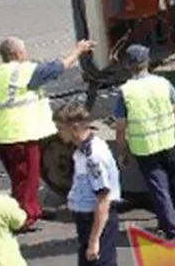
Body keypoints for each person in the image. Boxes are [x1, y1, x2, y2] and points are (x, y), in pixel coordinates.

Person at [0, 36, 95, 233]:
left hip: (3, 134)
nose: (27, 55)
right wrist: (78, 51)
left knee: (20, 178)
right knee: (28, 179)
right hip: (20, 135)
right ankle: (24, 218)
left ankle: (31, 208)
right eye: (25, 51)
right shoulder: (23, 71)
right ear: (17, 54)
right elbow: (57, 68)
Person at [112, 45, 175, 240]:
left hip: (145, 150)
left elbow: (120, 128)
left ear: (128, 66)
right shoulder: (163, 84)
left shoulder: (125, 92)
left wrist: (122, 152)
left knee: (159, 190)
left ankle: (172, 231)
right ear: (148, 62)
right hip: (170, 143)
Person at [54, 103, 122, 266]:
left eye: (60, 128)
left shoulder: (93, 157)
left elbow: (103, 199)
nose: (58, 132)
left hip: (95, 221)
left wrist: (94, 241)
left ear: (74, 128)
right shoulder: (83, 150)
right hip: (88, 220)